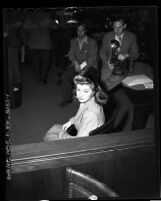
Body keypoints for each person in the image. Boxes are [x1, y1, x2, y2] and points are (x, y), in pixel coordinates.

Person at [43, 74, 108, 141]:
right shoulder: (90, 100)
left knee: (50, 137)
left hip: (84, 142)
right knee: (54, 128)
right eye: (78, 89)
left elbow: (80, 140)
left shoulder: (90, 114)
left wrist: (62, 135)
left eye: (85, 91)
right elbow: (79, 116)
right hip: (82, 130)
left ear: (93, 91)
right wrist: (71, 121)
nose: (80, 94)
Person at [60, 23, 98, 107]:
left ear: (86, 31)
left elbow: (92, 58)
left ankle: (89, 100)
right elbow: (71, 54)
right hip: (77, 65)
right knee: (65, 76)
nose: (80, 33)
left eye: (82, 30)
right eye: (78, 30)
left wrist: (83, 70)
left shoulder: (92, 42)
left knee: (85, 77)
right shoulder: (74, 41)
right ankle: (68, 99)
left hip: (90, 66)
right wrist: (76, 63)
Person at [99, 17, 140, 91]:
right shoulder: (107, 36)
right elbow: (102, 52)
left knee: (113, 80)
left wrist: (126, 55)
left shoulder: (132, 37)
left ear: (124, 26)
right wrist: (106, 62)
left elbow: (136, 54)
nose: (117, 30)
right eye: (115, 27)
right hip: (109, 62)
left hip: (125, 63)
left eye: (119, 27)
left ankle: (103, 96)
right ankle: (103, 96)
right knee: (103, 80)